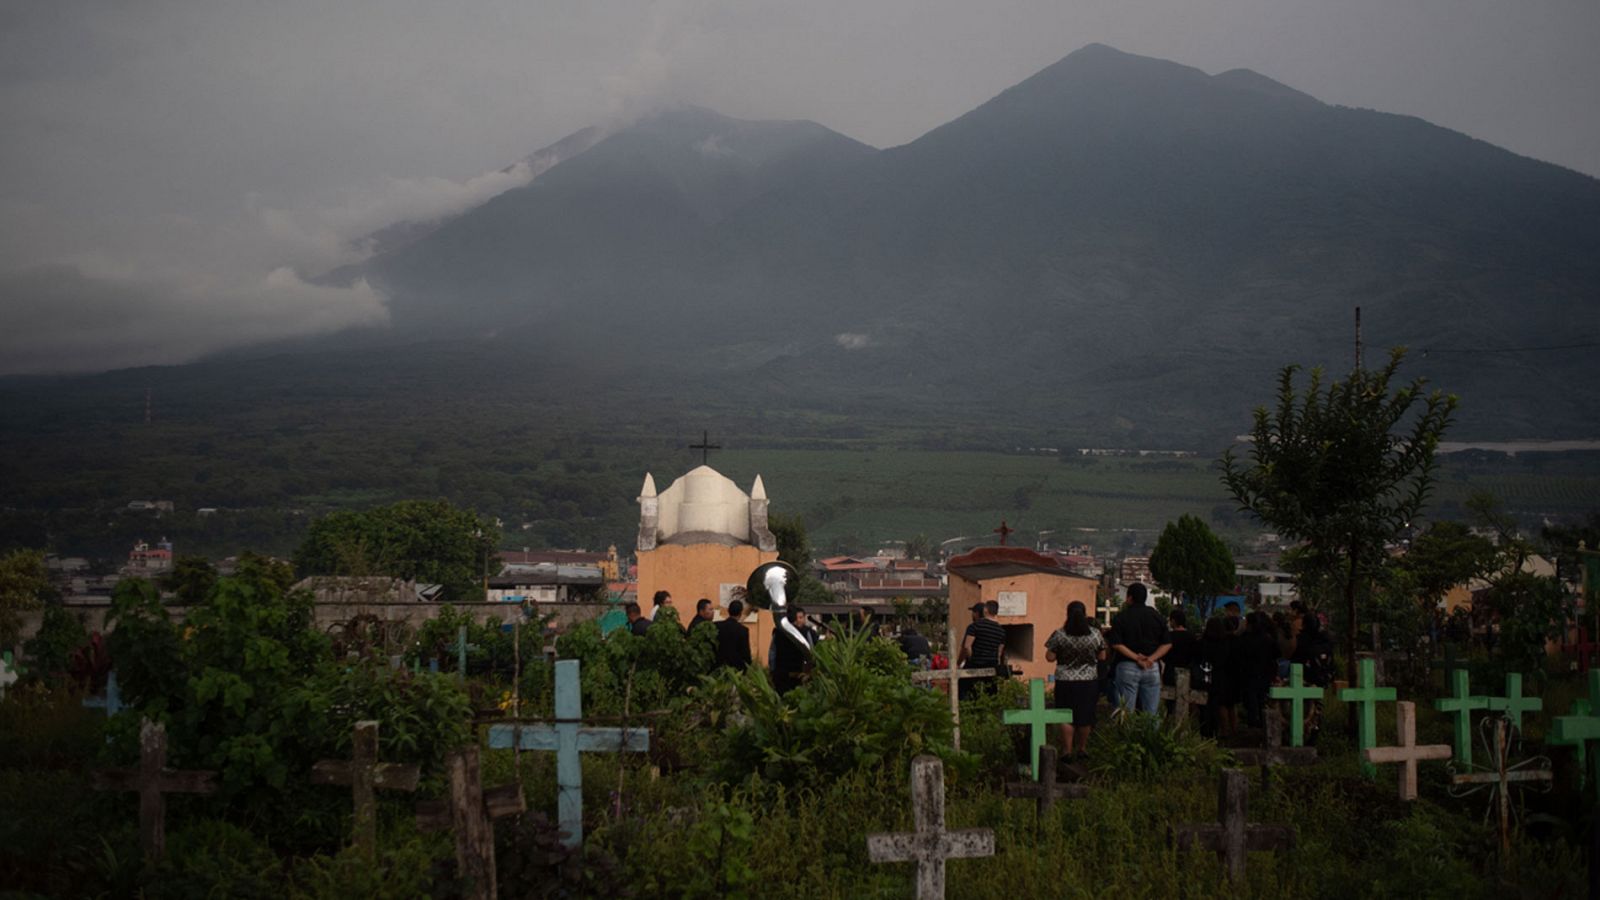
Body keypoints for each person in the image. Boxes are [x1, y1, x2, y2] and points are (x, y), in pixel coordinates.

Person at [1045, 601, 1107, 761]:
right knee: (1085, 715)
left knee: (1065, 714)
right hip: (1088, 681)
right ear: (1085, 615)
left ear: (1067, 614)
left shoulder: (1059, 634)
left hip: (1065, 681)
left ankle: (1067, 750)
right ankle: (1082, 748)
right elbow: (1102, 656)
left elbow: (1049, 657)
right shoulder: (1095, 634)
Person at [1106, 583, 1171, 714]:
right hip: (1151, 667)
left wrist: (1136, 658)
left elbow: (1116, 644)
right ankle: (1150, 734)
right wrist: (1151, 659)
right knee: (1151, 712)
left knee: (1125, 712)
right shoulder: (1156, 616)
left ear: (1129, 598)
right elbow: (1167, 643)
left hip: (1127, 665)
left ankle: (1126, 735)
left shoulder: (1122, 617)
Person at [957, 602, 1007, 700]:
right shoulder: (1001, 631)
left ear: (985, 610)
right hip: (992, 666)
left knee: (966, 690)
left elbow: (967, 646)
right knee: (990, 693)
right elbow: (999, 652)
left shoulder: (974, 626)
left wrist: (972, 659)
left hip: (974, 665)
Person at [1198, 616, 1236, 738]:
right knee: (1217, 705)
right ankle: (1217, 730)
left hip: (1205, 676)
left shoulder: (1202, 643)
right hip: (1220, 678)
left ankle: (1205, 731)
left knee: (1204, 706)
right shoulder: (1226, 643)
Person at [715, 599, 751, 671]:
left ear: (728, 611)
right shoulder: (743, 630)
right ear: (740, 613)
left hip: (719, 667)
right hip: (736, 669)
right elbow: (745, 653)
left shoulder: (717, 626)